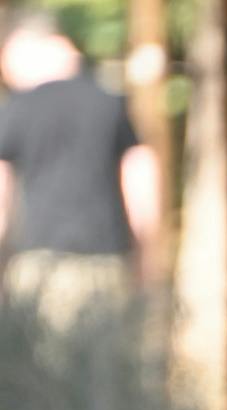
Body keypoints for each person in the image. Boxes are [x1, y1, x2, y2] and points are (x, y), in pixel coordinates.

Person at [0, 13, 160, 330]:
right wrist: (147, 254)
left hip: (38, 263)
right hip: (106, 261)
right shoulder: (111, 102)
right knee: (103, 372)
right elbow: (141, 181)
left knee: (39, 372)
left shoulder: (17, 109)